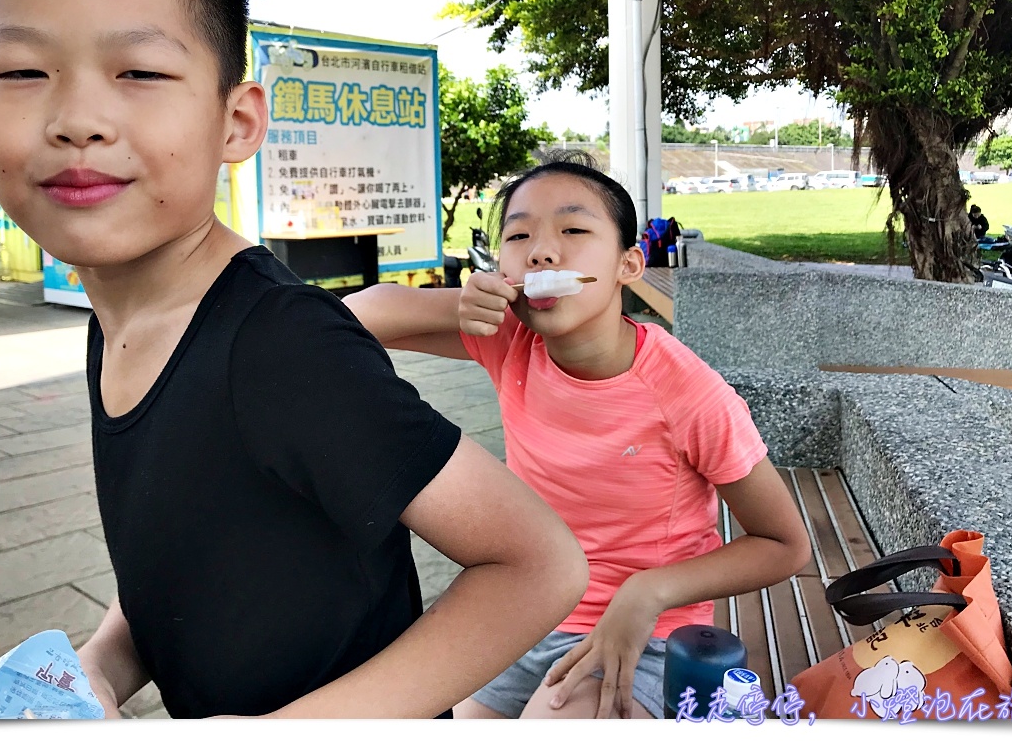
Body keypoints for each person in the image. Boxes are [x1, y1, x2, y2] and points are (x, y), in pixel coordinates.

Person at [0, 0, 588, 720]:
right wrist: (101, 665)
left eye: (138, 73)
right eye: (26, 73)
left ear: (236, 120)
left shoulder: (279, 344)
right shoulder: (125, 318)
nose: (78, 119)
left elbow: (537, 564)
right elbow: (179, 566)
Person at [346, 150, 812, 719]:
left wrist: (648, 592)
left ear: (628, 265)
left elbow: (784, 545)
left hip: (640, 631)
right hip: (525, 605)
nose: (543, 250)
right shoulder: (512, 340)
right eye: (518, 237)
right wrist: (458, 302)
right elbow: (355, 317)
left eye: (573, 229)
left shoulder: (688, 393)